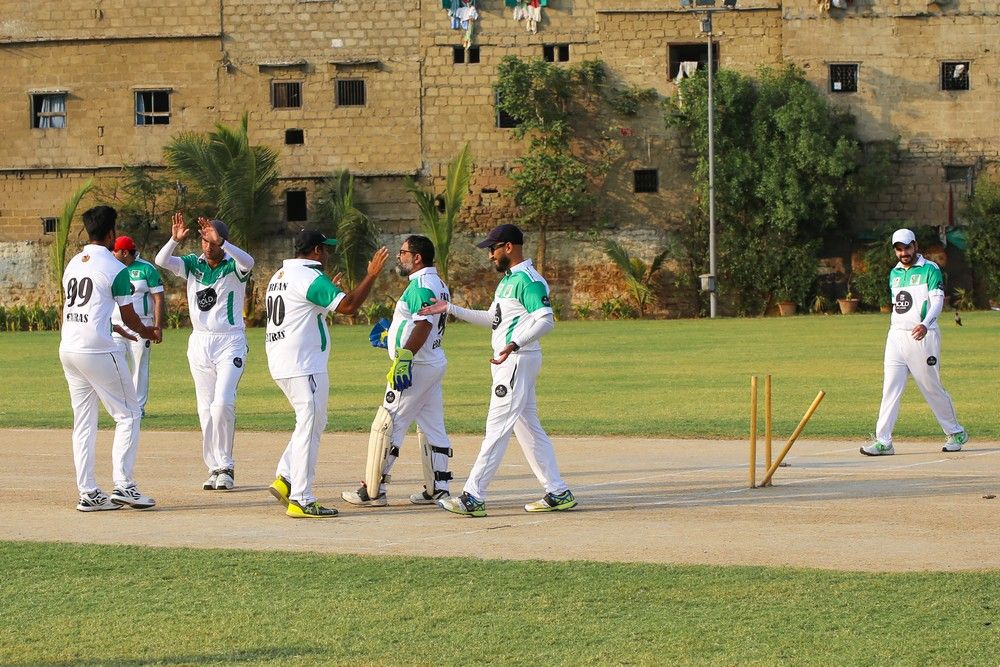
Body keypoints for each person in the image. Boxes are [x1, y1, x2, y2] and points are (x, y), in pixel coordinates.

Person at [418, 223, 577, 517]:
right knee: (528, 428)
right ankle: (557, 491)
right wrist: (450, 308)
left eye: (493, 248)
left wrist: (514, 344)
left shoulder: (527, 280)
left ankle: (473, 496)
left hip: (516, 361)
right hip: (513, 361)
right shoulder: (507, 281)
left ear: (509, 247)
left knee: (497, 428)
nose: (490, 255)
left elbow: (546, 320)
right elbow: (492, 318)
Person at [263, 231, 388, 518]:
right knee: (309, 424)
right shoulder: (310, 277)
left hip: (284, 360)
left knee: (313, 421)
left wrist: (327, 293)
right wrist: (371, 275)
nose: (328, 255)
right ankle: (301, 499)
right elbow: (349, 306)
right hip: (303, 364)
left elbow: (302, 310)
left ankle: (286, 478)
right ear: (317, 250)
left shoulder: (280, 275)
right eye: (326, 250)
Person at [342, 235, 455, 508]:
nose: (398, 256)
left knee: (388, 423)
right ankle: (438, 488)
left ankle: (372, 490)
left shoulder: (420, 285)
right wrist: (393, 337)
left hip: (414, 368)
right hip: (431, 363)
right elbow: (418, 323)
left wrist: (404, 356)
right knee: (433, 427)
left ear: (417, 258)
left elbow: (424, 324)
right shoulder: (437, 283)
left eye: (403, 252)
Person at [59, 205, 160, 511]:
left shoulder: (73, 263)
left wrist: (111, 325)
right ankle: (124, 485)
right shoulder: (116, 268)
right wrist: (147, 331)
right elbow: (129, 314)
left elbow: (78, 309)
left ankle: (88, 492)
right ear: (111, 233)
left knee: (84, 422)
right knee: (129, 414)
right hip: (98, 350)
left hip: (69, 347)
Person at [155, 212, 254, 490]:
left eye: (212, 240)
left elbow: (249, 262)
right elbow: (161, 261)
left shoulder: (234, 265)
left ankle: (227, 466)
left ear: (222, 241)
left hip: (229, 342)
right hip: (199, 342)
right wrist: (174, 240)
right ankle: (214, 468)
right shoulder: (192, 264)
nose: (208, 245)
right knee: (206, 409)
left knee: (222, 403)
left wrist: (223, 243)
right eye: (204, 240)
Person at [863, 228, 969, 456]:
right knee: (890, 388)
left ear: (915, 246)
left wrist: (925, 324)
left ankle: (955, 432)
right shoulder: (894, 273)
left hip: (923, 335)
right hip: (896, 336)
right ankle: (883, 441)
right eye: (899, 249)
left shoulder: (930, 269)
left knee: (930, 387)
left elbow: (937, 302)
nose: (904, 253)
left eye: (907, 248)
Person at [110, 235, 165, 417]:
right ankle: (122, 405)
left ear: (125, 252)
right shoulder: (112, 268)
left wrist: (157, 326)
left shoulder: (146, 268)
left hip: (142, 325)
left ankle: (138, 407)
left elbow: (158, 298)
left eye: (115, 251)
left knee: (139, 366)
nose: (112, 254)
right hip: (116, 326)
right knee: (115, 365)